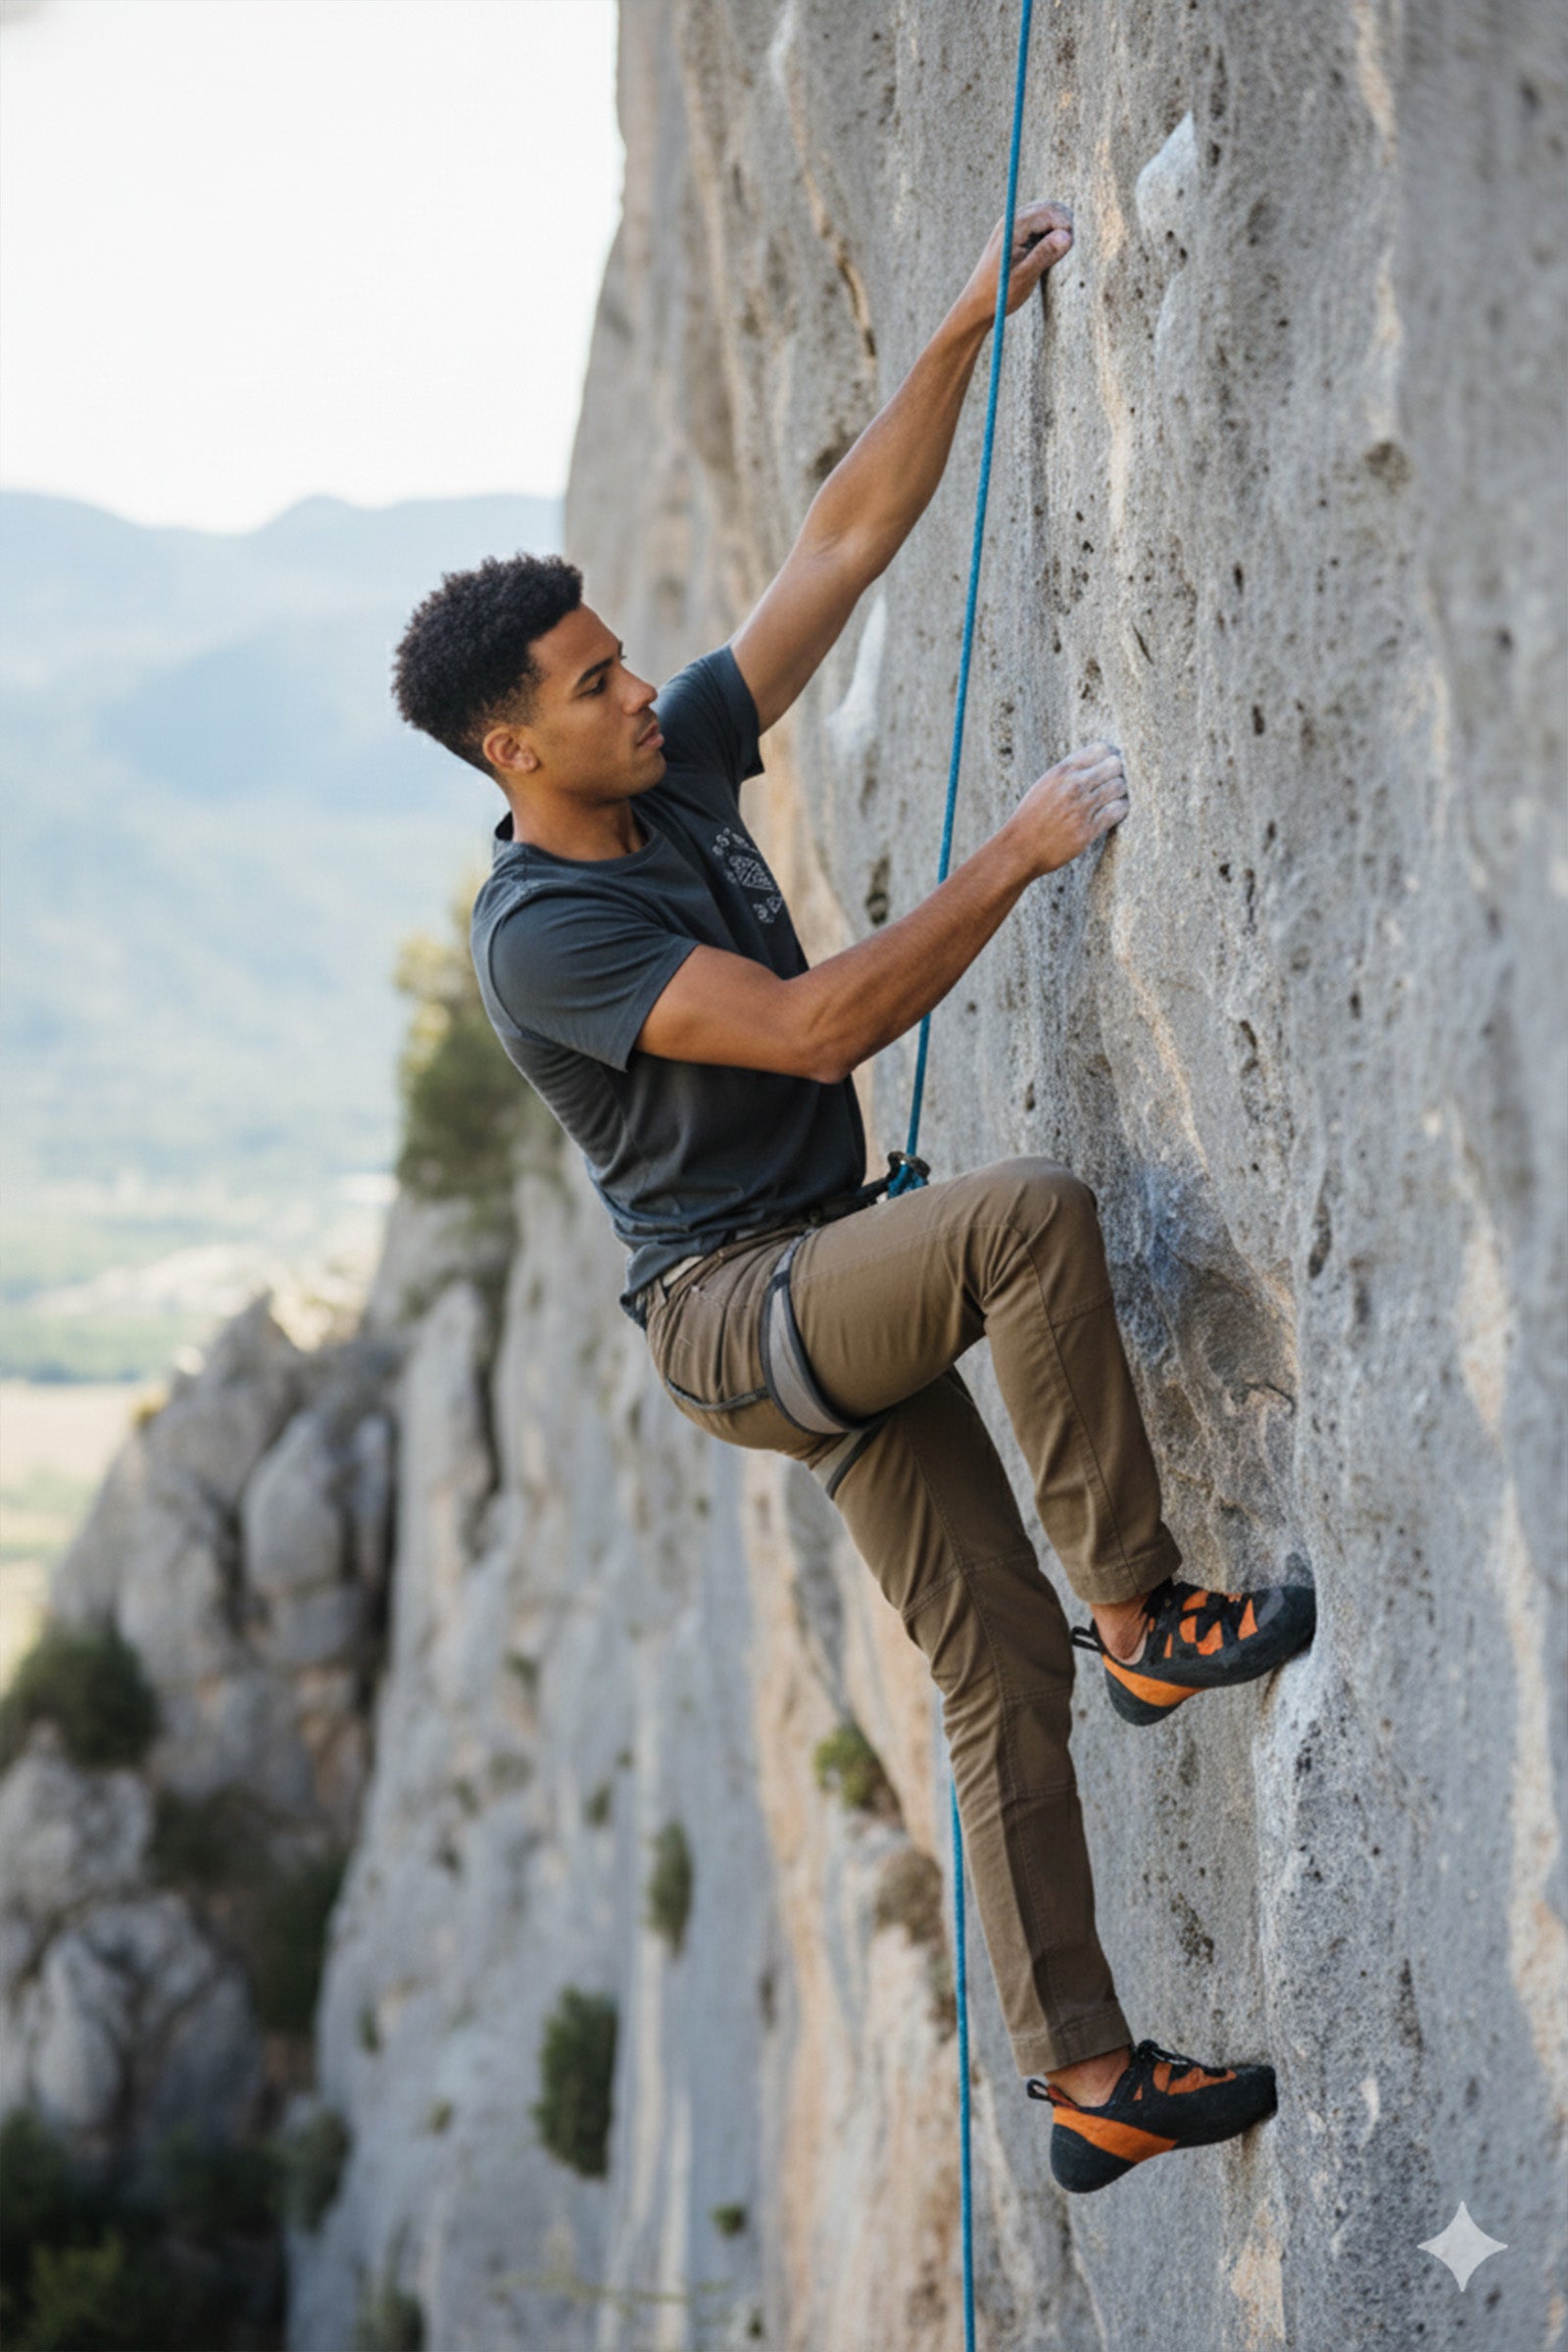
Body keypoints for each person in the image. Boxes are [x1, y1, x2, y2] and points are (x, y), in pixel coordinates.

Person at [392, 201, 1314, 2195]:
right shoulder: (545, 930)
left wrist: (958, 327)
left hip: (810, 1274)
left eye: (626, 659)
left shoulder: (671, 769)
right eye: (591, 677)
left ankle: (1085, 2083)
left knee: (992, 1674)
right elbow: (811, 1035)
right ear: (509, 744)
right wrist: (1015, 852)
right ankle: (1147, 1609)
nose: (639, 684)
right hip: (743, 1314)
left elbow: (839, 544)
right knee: (1020, 1220)